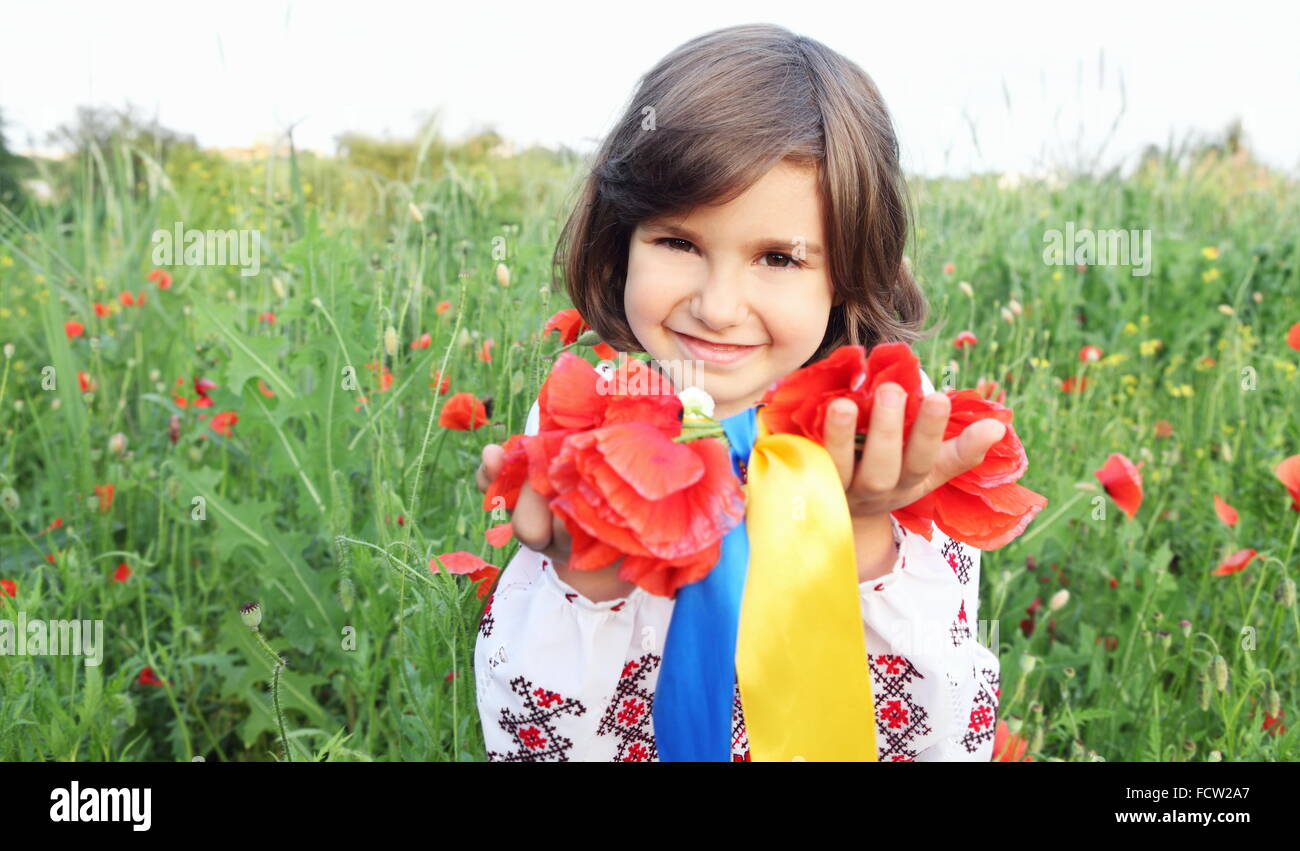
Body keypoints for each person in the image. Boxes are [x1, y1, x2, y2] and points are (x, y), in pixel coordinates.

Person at [472, 23, 1008, 761]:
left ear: (848, 273)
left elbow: (939, 735)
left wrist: (860, 530)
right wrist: (588, 576)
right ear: (621, 237)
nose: (719, 305)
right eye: (680, 243)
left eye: (779, 258)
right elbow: (532, 732)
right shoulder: (588, 432)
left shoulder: (883, 449)